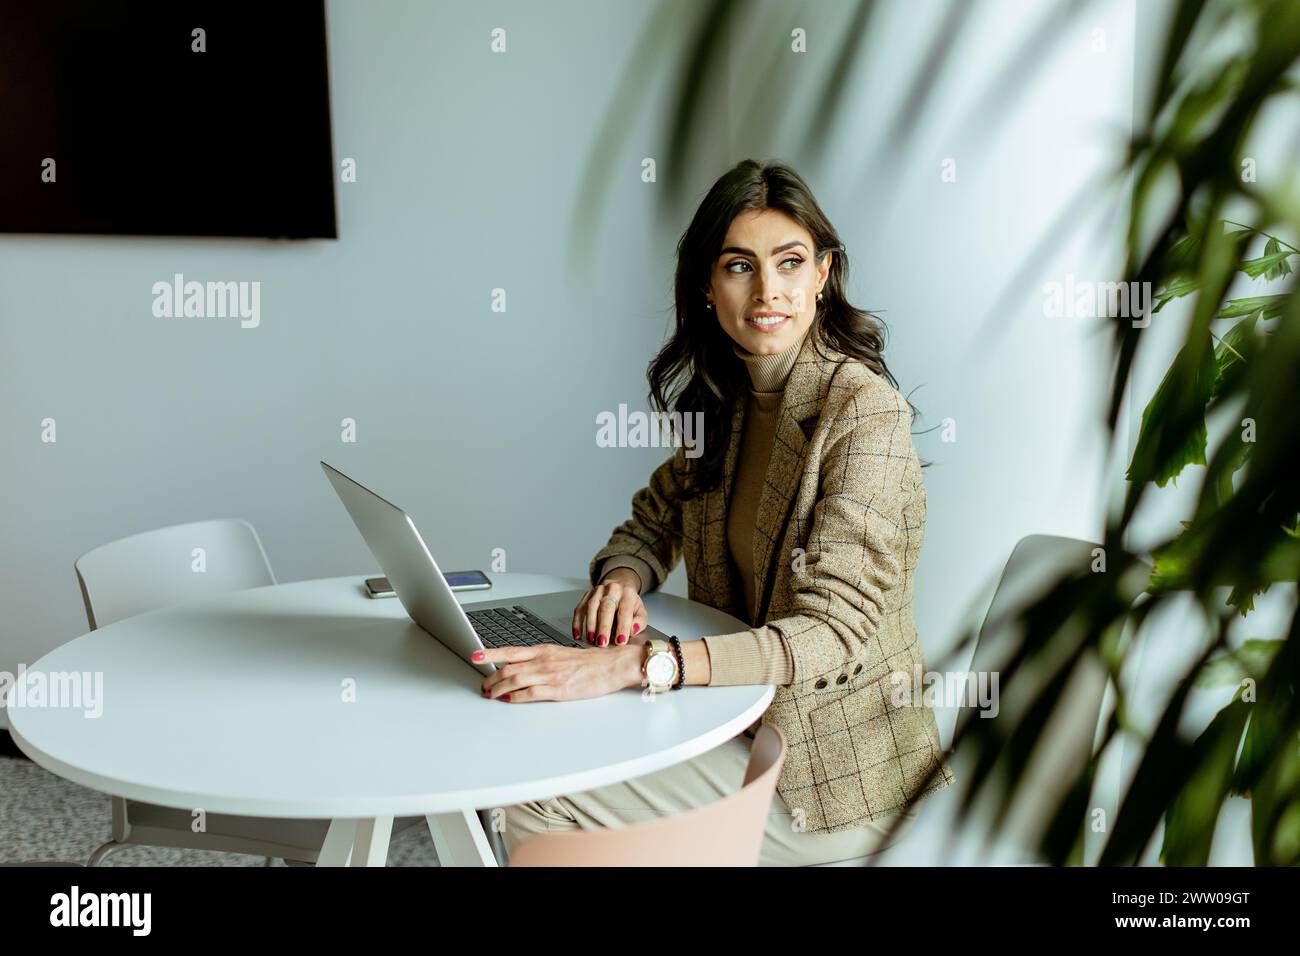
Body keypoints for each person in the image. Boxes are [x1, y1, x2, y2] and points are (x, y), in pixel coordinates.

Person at [477, 159, 954, 866]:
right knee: (530, 736)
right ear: (706, 284)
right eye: (739, 266)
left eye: (790, 262)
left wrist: (644, 666)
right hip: (734, 724)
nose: (768, 291)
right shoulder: (729, 401)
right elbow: (653, 519)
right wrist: (624, 577)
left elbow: (831, 633)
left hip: (836, 781)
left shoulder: (863, 413)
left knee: (534, 795)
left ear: (822, 275)